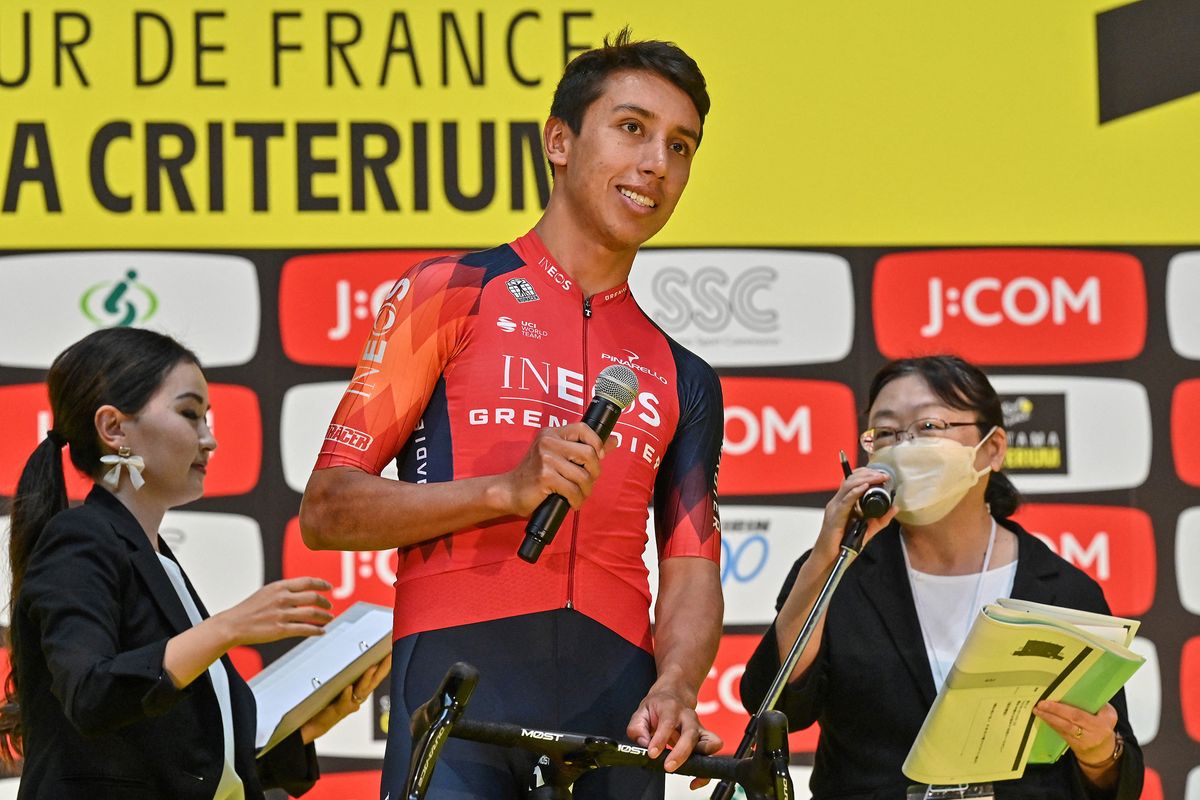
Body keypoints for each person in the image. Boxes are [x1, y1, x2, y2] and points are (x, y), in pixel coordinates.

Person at [300, 27, 724, 800]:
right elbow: (327, 510)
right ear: (559, 141)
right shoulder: (447, 291)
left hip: (618, 698)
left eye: (681, 146)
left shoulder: (682, 374)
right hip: (461, 676)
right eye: (632, 129)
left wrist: (678, 685)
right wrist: (503, 490)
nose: (657, 163)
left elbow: (692, 567)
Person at [1, 327, 391, 800]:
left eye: (207, 418)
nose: (210, 440)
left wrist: (303, 729)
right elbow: (91, 694)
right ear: (114, 428)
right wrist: (226, 629)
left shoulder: (153, 557)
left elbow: (180, 759)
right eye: (190, 415)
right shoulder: (80, 539)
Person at [739, 354, 1143, 799]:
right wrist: (824, 559)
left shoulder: (1063, 590)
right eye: (887, 433)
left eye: (929, 427)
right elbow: (773, 707)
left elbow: (1116, 781)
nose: (906, 446)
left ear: (992, 449)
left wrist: (1101, 751)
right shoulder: (841, 571)